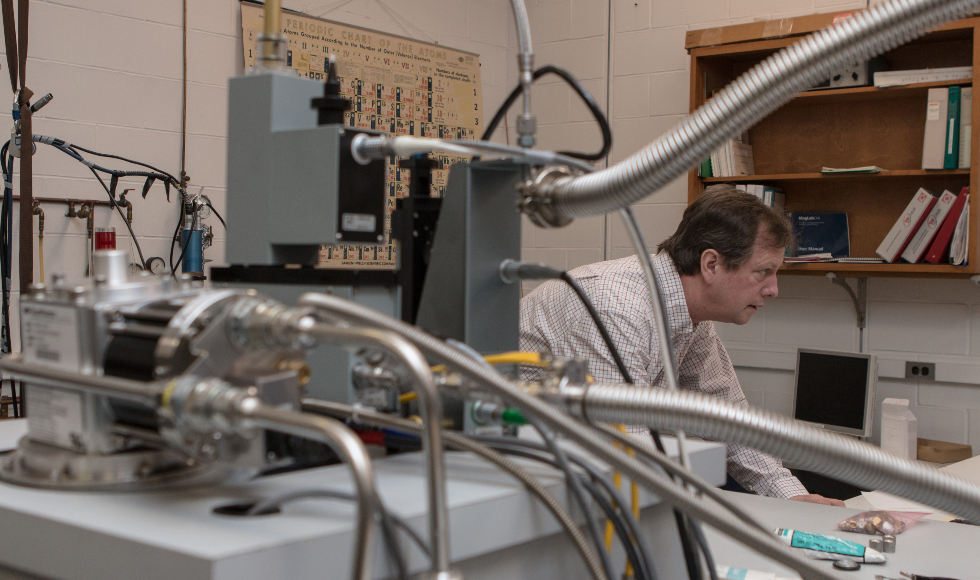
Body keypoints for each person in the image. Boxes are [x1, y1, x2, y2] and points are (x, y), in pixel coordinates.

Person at [520, 184, 844, 506]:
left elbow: (728, 421)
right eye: (763, 272)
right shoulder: (618, 309)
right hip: (514, 474)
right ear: (711, 265)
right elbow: (626, 446)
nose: (773, 289)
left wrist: (795, 498)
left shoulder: (691, 317)